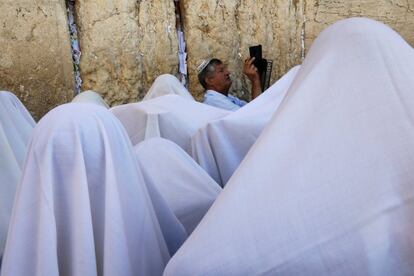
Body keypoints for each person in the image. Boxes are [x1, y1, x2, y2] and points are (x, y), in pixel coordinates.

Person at [164, 17, 414, 275]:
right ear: (208, 81)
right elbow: (250, 121)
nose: (227, 71)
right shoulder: (214, 106)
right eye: (220, 70)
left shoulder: (228, 101)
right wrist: (257, 84)